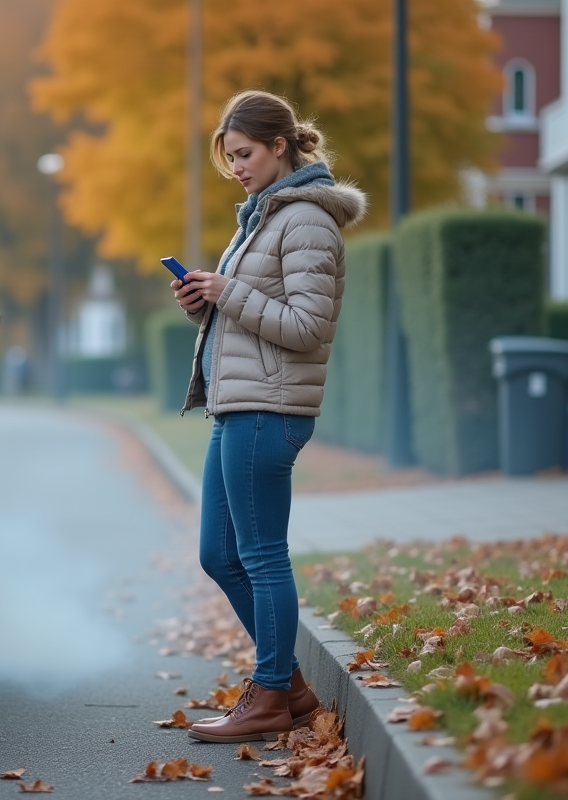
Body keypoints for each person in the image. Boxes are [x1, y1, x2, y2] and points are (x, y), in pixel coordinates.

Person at [172, 90, 366, 743]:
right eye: (229, 158)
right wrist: (205, 304)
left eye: (245, 153)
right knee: (217, 554)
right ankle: (288, 687)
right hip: (238, 406)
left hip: (269, 410)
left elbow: (307, 328)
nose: (237, 168)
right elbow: (255, 316)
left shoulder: (306, 220)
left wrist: (231, 291)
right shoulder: (262, 217)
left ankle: (271, 694)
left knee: (259, 554)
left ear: (281, 145)